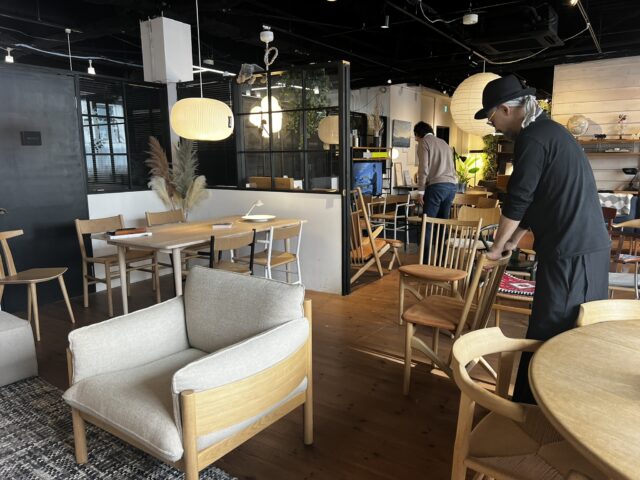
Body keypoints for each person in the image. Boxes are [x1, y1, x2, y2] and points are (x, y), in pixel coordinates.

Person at [478, 75, 610, 404]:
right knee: (566, 331)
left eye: (491, 118)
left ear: (506, 109)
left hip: (573, 252)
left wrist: (496, 249)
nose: (493, 126)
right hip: (581, 249)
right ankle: (550, 409)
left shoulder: (533, 138)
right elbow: (537, 200)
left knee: (553, 334)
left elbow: (519, 199)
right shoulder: (548, 132)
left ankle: (534, 412)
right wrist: (514, 240)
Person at [413, 121, 457, 261]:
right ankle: (441, 260)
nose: (416, 140)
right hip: (451, 187)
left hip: (437, 187)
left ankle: (424, 262)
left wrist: (420, 192)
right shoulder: (444, 143)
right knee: (442, 224)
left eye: (415, 137)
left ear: (418, 134)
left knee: (427, 225)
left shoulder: (424, 142)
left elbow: (423, 168)